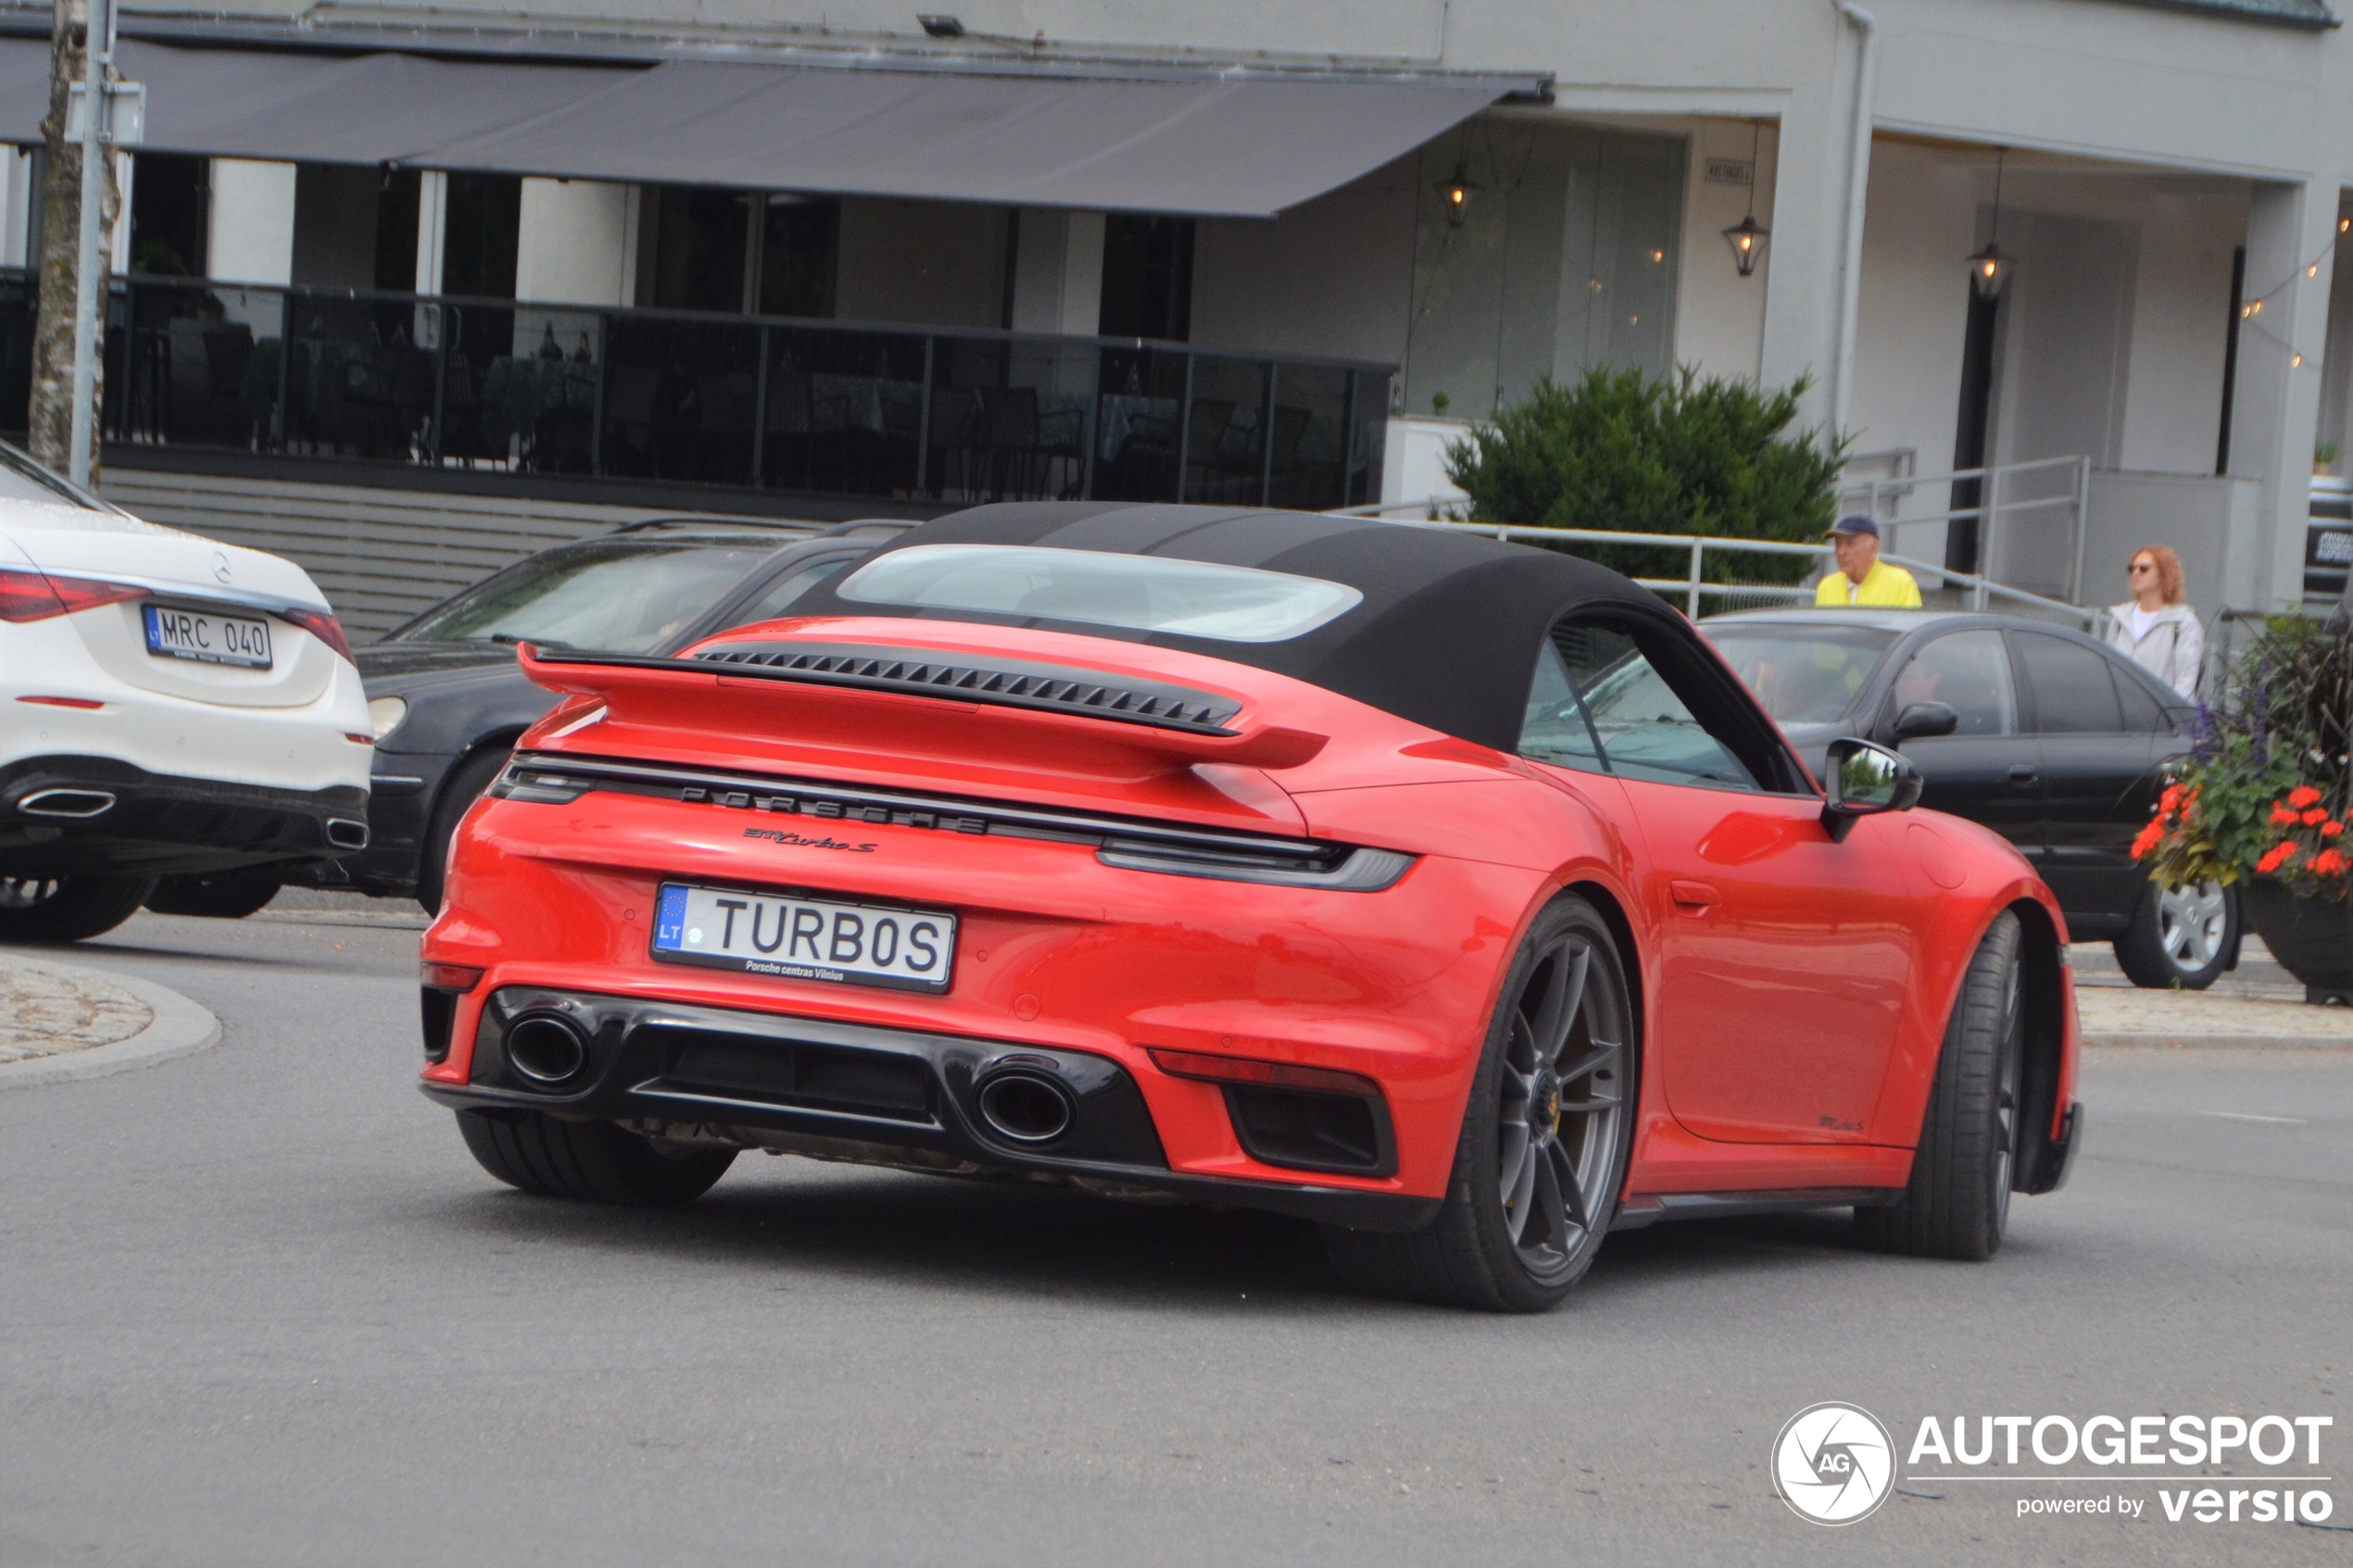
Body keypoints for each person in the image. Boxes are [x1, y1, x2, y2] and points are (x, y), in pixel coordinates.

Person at [2105, 545, 2203, 697]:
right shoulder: (2119, 619)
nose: (2136, 573)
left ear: (2164, 573)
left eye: (2144, 568)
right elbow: (2108, 671)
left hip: (2158, 716)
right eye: (2132, 568)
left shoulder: (2182, 623)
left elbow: (2186, 682)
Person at [1812, 514, 1922, 607]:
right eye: (1838, 544)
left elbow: (1912, 629)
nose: (1841, 552)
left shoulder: (1901, 583)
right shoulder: (1827, 586)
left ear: (1874, 548)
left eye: (1850, 543)